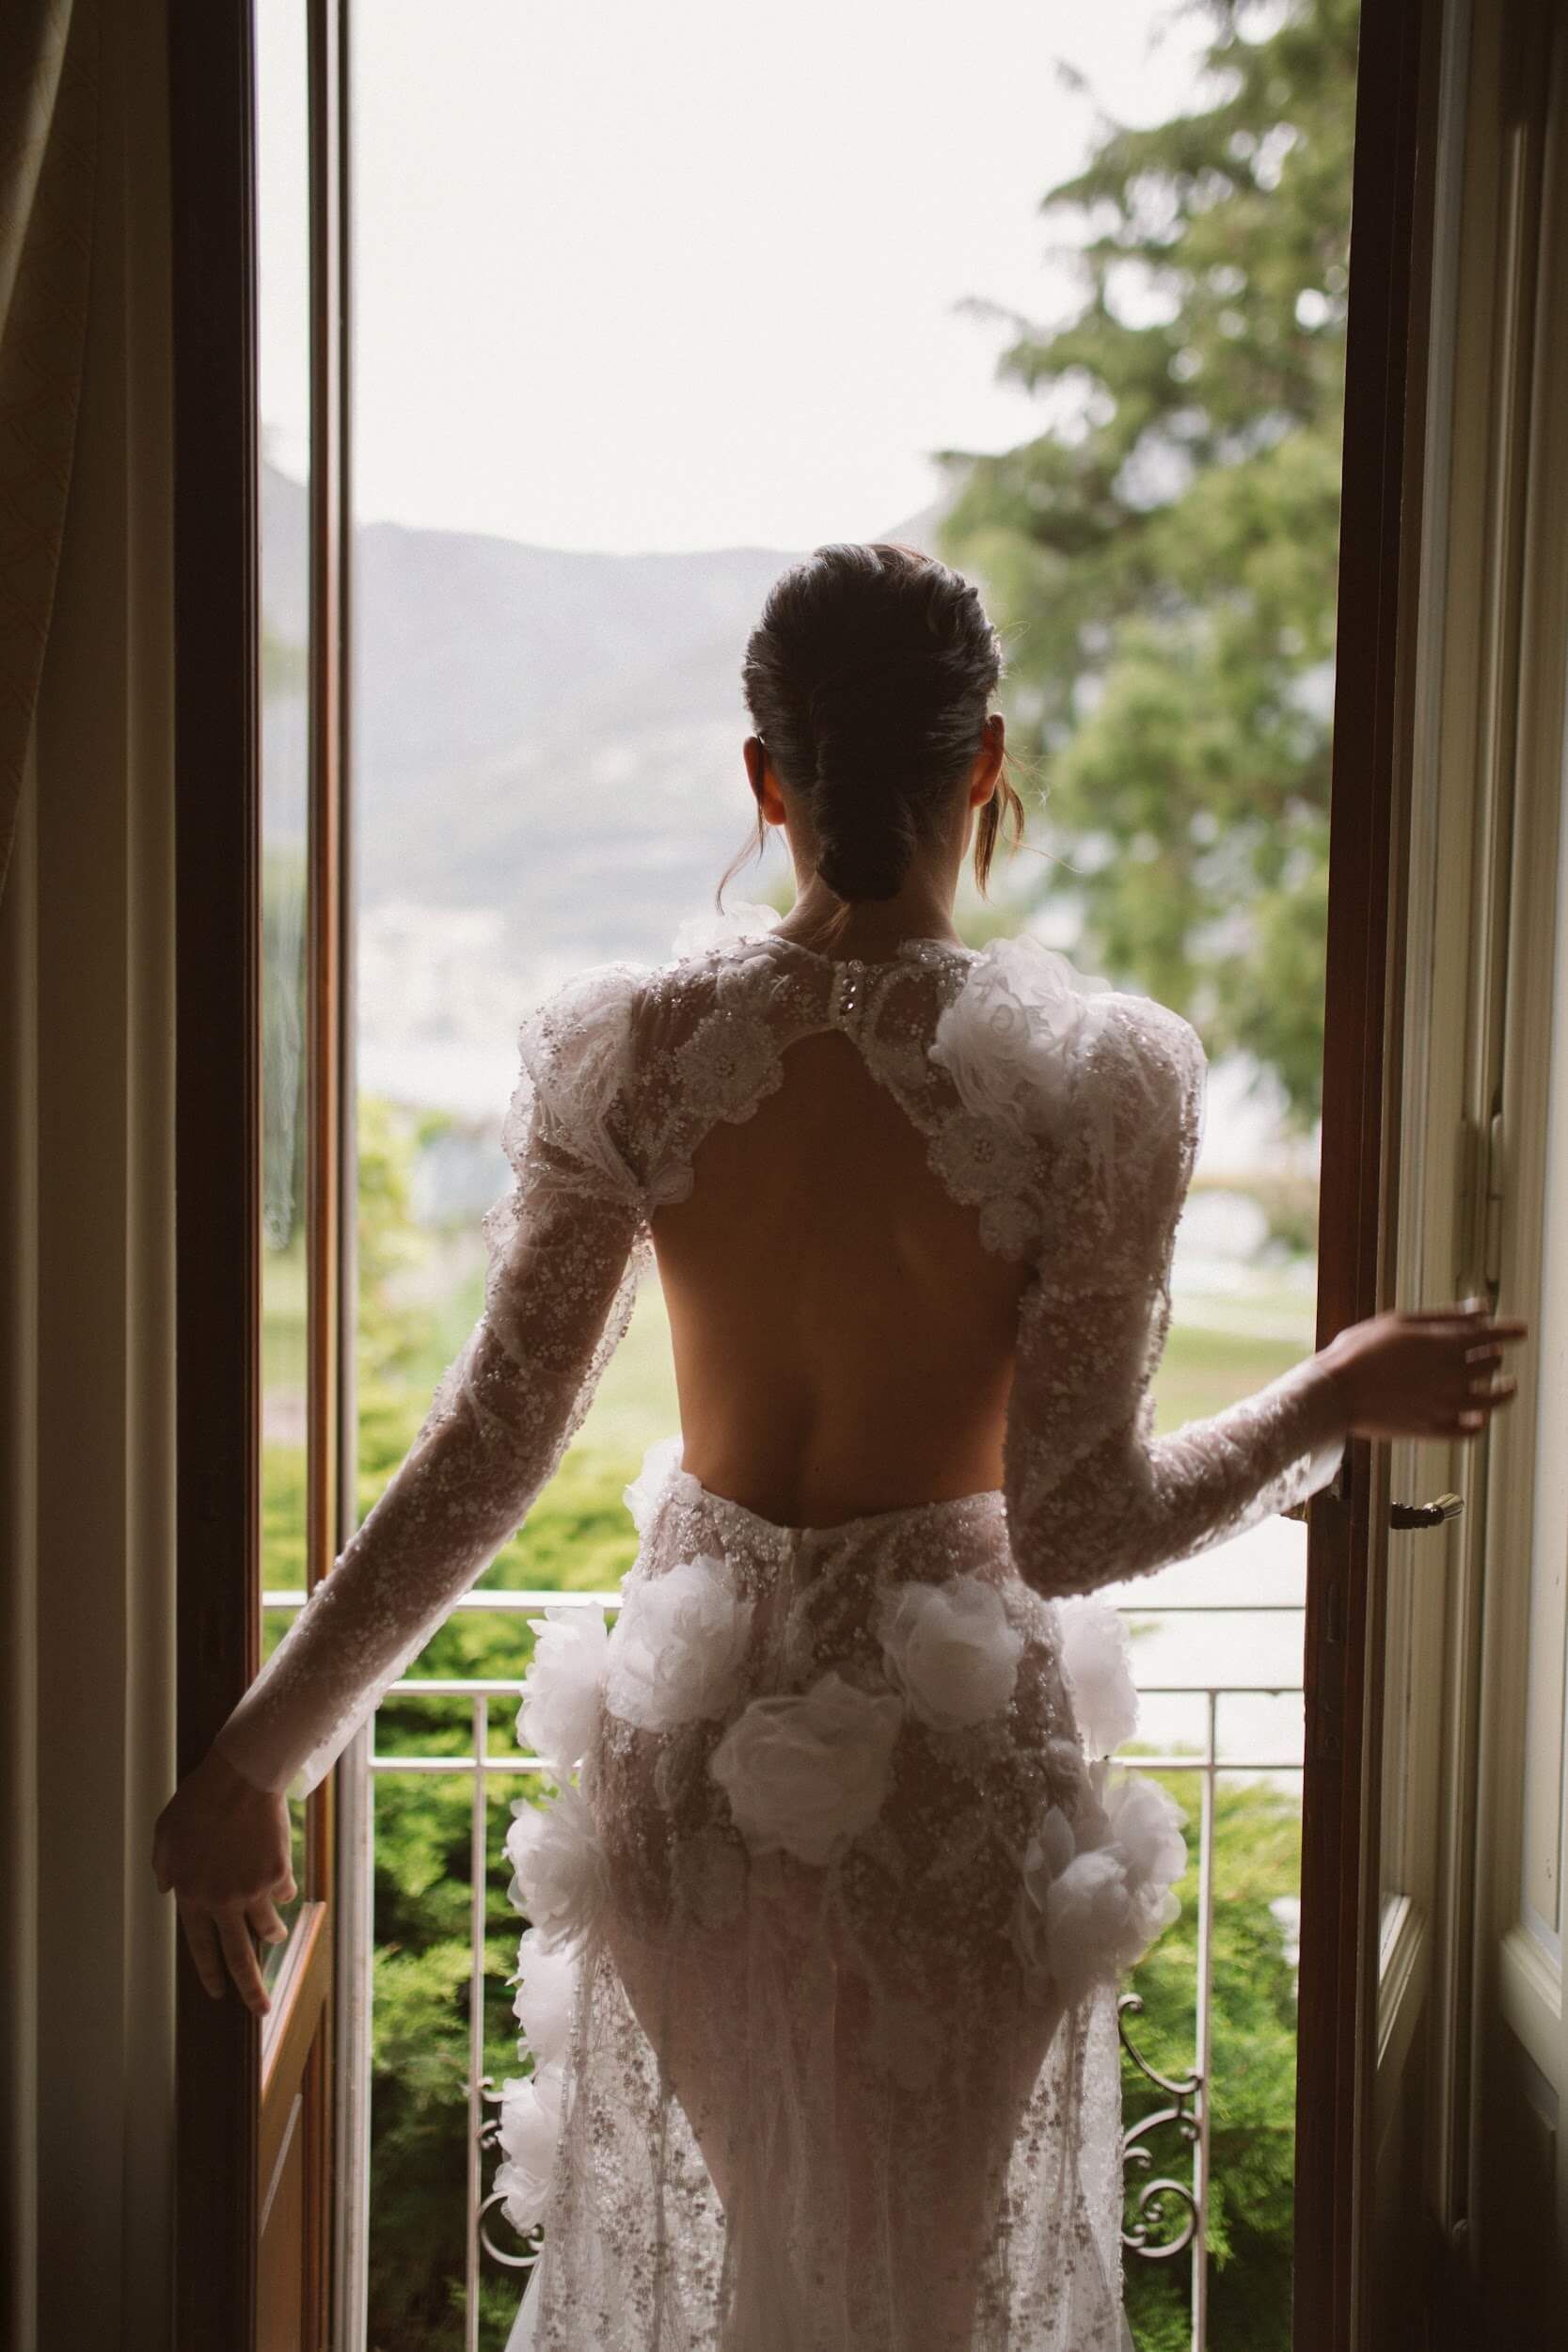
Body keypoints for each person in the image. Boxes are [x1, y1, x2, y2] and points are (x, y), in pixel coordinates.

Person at [153, 542, 1527, 2351]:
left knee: (768, 2298)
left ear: (764, 776)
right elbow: (1082, 1523)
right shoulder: (1099, 1072)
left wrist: (265, 1750)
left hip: (687, 1772)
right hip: (948, 1788)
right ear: (987, 763)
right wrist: (1327, 1402)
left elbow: (489, 1453)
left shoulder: (629, 1048)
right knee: (913, 2306)